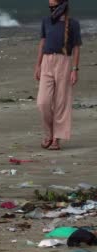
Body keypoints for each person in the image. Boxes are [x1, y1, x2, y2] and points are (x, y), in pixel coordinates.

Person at [34, 0, 82, 150]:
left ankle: (56, 139)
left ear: (62, 6)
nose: (51, 9)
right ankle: (49, 133)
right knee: (43, 102)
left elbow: (76, 48)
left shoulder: (73, 24)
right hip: (47, 62)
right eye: (50, 7)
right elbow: (42, 43)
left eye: (54, 6)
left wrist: (75, 69)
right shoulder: (46, 22)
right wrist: (38, 65)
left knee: (61, 102)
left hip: (64, 62)